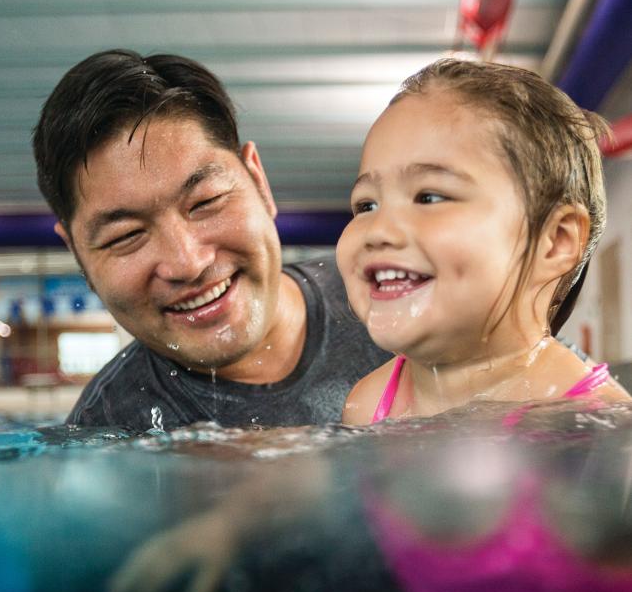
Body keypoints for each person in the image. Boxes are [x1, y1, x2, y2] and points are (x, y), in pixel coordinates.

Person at [32, 49, 388, 429]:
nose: (188, 262)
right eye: (127, 236)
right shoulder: (106, 438)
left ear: (258, 181)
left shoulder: (389, 290)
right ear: (76, 252)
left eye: (205, 202)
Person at [336, 58, 630, 425]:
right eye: (366, 204)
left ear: (555, 241)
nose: (378, 229)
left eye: (428, 197)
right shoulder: (367, 403)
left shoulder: (596, 422)